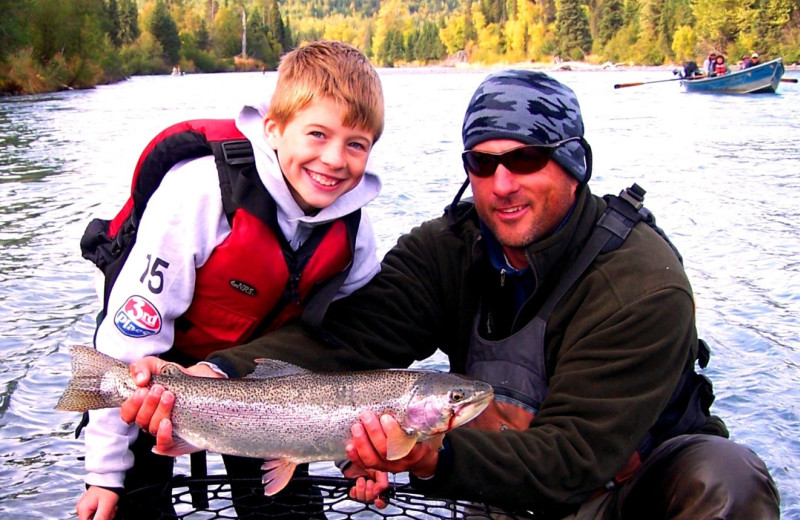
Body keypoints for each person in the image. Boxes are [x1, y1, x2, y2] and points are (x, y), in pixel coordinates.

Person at [124, 70, 781, 518]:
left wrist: (428, 455)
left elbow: (572, 459)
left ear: (574, 164)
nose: (501, 184)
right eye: (481, 163)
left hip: (633, 487)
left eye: (525, 160)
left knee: (727, 474)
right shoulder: (449, 248)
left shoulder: (640, 283)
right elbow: (346, 339)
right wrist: (217, 373)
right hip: (508, 488)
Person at [77, 40, 385, 520]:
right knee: (131, 506)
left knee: (286, 513)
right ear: (275, 130)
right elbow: (127, 343)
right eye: (317, 135)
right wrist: (103, 474)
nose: (334, 160)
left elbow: (345, 360)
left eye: (355, 144)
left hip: (264, 386)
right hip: (154, 367)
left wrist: (354, 454)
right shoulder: (201, 194)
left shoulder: (356, 233)